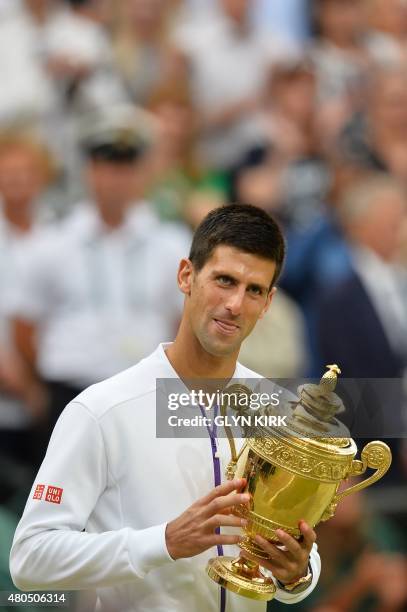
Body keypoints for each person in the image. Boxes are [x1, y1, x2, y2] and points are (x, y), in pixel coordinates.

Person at [10, 204, 321, 612]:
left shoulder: (275, 410)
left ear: (268, 303)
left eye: (254, 290)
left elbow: (296, 550)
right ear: (186, 276)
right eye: (224, 280)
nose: (235, 304)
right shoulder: (101, 410)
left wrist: (298, 572)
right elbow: (30, 559)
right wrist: (164, 541)